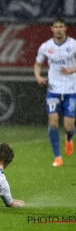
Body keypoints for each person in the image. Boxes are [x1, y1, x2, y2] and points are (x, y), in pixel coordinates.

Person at [34, 17, 76, 167]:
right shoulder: (46, 46)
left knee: (69, 127)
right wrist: (38, 76)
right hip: (53, 89)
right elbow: (37, 64)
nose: (58, 29)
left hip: (71, 88)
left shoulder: (73, 44)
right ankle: (58, 157)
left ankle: (69, 138)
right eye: (56, 26)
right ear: (52, 29)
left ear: (65, 28)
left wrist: (71, 69)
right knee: (53, 123)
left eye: (61, 26)